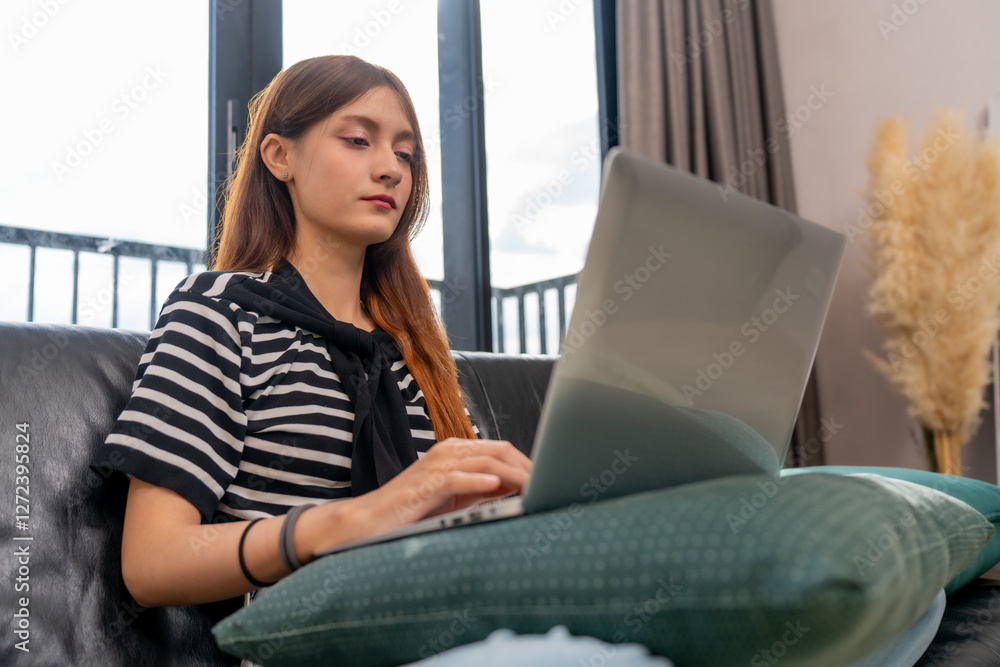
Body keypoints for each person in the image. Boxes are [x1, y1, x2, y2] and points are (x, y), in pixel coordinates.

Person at [90, 54, 531, 611]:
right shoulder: (221, 311)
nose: (391, 169)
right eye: (357, 140)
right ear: (280, 156)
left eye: (405, 154)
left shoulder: (415, 351)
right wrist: (351, 521)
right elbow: (153, 563)